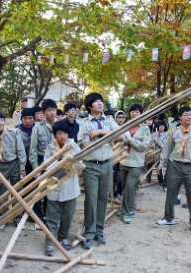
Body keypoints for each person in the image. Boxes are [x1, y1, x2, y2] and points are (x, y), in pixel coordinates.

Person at [156, 106, 191, 235]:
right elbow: (167, 149)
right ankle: (168, 218)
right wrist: (161, 165)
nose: (189, 117)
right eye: (186, 114)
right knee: (171, 192)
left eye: (190, 114)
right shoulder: (174, 132)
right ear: (180, 117)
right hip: (175, 165)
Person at [77, 92, 120, 249]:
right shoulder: (83, 123)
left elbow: (120, 135)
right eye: (96, 102)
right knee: (91, 199)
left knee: (103, 198)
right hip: (91, 166)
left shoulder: (109, 120)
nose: (99, 103)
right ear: (89, 106)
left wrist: (100, 133)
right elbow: (84, 144)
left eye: (101, 101)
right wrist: (94, 137)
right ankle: (89, 232)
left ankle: (99, 231)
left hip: (107, 164)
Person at [43, 121, 81, 256]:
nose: (63, 136)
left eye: (65, 133)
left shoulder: (74, 146)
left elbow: (79, 162)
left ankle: (63, 237)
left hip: (70, 187)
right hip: (54, 186)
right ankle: (49, 241)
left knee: (67, 216)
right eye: (59, 133)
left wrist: (66, 159)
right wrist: (57, 156)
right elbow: (47, 167)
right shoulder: (49, 148)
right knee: (52, 216)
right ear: (55, 134)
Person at [0, 110, 27, 229]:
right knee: (1, 194)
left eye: (1, 120)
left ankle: (17, 218)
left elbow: (20, 150)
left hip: (15, 164)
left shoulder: (13, 132)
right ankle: (2, 218)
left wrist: (22, 167)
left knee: (17, 192)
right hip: (0, 166)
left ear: (5, 120)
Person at [120, 104, 151, 224]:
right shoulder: (125, 126)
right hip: (123, 161)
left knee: (129, 187)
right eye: (132, 111)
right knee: (126, 188)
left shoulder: (145, 129)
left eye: (137, 112)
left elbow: (144, 146)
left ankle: (125, 212)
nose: (134, 114)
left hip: (136, 163)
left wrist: (130, 140)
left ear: (141, 114)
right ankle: (131, 208)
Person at [29, 99, 58, 227]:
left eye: (54, 110)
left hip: (56, 160)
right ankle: (37, 216)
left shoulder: (61, 125)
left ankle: (49, 215)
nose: (52, 113)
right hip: (42, 161)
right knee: (38, 189)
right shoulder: (38, 127)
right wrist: (36, 168)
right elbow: (33, 150)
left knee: (51, 189)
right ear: (44, 112)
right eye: (49, 110)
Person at [17, 108, 36, 187]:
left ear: (34, 119)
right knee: (22, 186)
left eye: (30, 118)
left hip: (35, 163)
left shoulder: (37, 130)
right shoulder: (17, 133)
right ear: (21, 119)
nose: (28, 121)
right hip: (22, 165)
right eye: (25, 118)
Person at [113, 110, 126, 200]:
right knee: (114, 175)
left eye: (122, 117)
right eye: (119, 117)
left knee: (122, 176)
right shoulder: (112, 128)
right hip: (113, 155)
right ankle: (112, 193)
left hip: (124, 155)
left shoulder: (127, 128)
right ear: (115, 118)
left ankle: (119, 192)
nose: (120, 119)